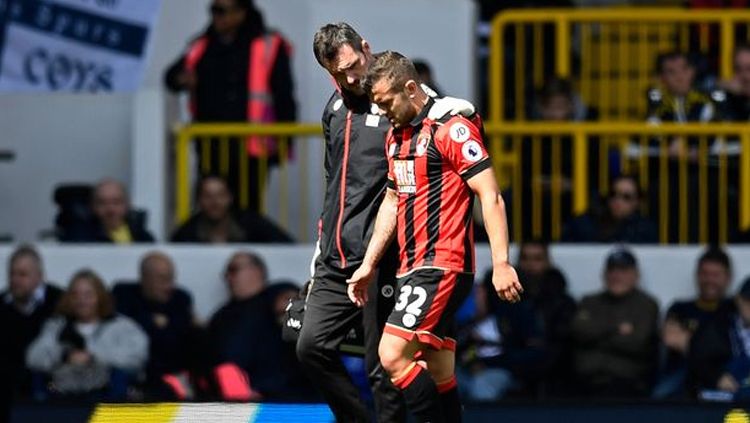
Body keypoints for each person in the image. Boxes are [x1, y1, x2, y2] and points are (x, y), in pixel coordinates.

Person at [296, 23, 475, 423]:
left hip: (386, 257)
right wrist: (319, 250)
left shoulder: (392, 100)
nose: (351, 77)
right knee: (308, 346)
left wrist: (455, 107)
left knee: (385, 371)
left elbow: (430, 110)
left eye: (354, 65)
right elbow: (334, 181)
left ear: (366, 47)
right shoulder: (335, 108)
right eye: (339, 73)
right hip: (336, 256)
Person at [347, 51, 522, 423]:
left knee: (392, 355)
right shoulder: (396, 137)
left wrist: (502, 262)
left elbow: (489, 194)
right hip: (413, 266)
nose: (381, 112)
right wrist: (368, 264)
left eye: (385, 102)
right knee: (439, 370)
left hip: (442, 263)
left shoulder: (451, 129)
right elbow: (394, 200)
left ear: (410, 88)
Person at [165, 0, 296, 213]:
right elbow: (171, 77)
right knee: (210, 205)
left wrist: (283, 144)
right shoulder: (203, 44)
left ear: (241, 12)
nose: (217, 17)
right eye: (213, 11)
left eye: (222, 11)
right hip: (211, 145)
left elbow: (284, 96)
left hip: (253, 147)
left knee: (248, 208)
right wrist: (182, 79)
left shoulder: (269, 43)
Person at [26, 270, 148, 399]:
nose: (82, 301)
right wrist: (64, 355)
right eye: (75, 295)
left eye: (88, 295)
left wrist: (93, 356)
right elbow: (33, 357)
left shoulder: (122, 326)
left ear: (100, 297)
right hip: (62, 397)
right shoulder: (56, 326)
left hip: (107, 398)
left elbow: (137, 357)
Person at [209, 252, 308, 400]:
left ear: (256, 271)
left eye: (233, 269)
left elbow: (294, 304)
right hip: (243, 399)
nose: (228, 278)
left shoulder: (276, 294)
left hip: (292, 393)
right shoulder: (221, 316)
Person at [570, 248, 659, 398]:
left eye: (623, 270)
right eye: (612, 270)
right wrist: (616, 328)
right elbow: (578, 332)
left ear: (635, 275)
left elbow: (637, 343)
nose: (616, 276)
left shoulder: (646, 304)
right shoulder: (589, 301)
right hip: (583, 383)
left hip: (626, 386)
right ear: (604, 274)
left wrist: (595, 337)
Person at [655, 247, 734, 398]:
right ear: (697, 276)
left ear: (728, 277)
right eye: (704, 274)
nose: (709, 280)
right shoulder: (679, 309)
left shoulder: (735, 309)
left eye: (716, 275)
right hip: (683, 378)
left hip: (728, 376)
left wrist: (691, 343)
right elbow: (672, 340)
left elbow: (734, 349)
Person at [112, 252, 196, 392]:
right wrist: (154, 322)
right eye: (163, 279)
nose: (169, 285)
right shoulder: (123, 295)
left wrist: (146, 322)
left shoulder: (181, 299)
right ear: (145, 278)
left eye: (171, 277)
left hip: (171, 373)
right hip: (133, 375)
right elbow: (123, 332)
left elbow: (176, 337)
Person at [456, 273, 545, 401]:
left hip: (501, 370)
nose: (472, 299)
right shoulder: (461, 324)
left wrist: (486, 363)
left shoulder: (510, 319)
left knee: (481, 385)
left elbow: (533, 353)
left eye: (477, 294)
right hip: (465, 371)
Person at [0, 246, 63, 405]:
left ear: (40, 276)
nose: (15, 280)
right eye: (12, 274)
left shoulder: (59, 302)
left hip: (51, 384)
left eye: (22, 274)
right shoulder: (1, 304)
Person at [170, 175, 293, 243]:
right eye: (208, 196)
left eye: (220, 195)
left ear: (230, 198)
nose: (215, 202)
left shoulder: (250, 222)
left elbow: (287, 244)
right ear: (199, 200)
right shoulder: (187, 232)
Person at [688, 276, 750, 400]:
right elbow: (699, 360)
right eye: (748, 301)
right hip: (727, 397)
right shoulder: (719, 326)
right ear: (738, 300)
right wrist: (717, 377)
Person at [562, 175, 658, 243]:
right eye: (613, 194)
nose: (617, 200)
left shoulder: (645, 230)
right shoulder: (585, 223)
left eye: (626, 197)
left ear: (637, 202)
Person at [64, 179, 155, 244]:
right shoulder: (79, 237)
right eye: (102, 203)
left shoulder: (142, 236)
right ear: (93, 206)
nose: (110, 209)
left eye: (116, 202)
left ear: (127, 205)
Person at [646, 51, 715, 125]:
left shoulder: (707, 104)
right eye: (671, 72)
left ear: (693, 71)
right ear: (661, 78)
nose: (680, 77)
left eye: (684, 69)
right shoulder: (658, 109)